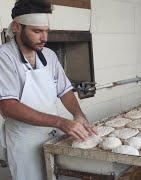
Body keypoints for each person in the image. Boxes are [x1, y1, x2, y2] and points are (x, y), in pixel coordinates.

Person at [0, 0, 96, 179]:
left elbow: (65, 91)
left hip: (52, 135)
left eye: (46, 31)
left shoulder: (49, 56)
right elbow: (8, 106)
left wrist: (78, 115)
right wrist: (61, 122)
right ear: (16, 27)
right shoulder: (4, 57)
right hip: (25, 140)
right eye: (37, 31)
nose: (44, 38)